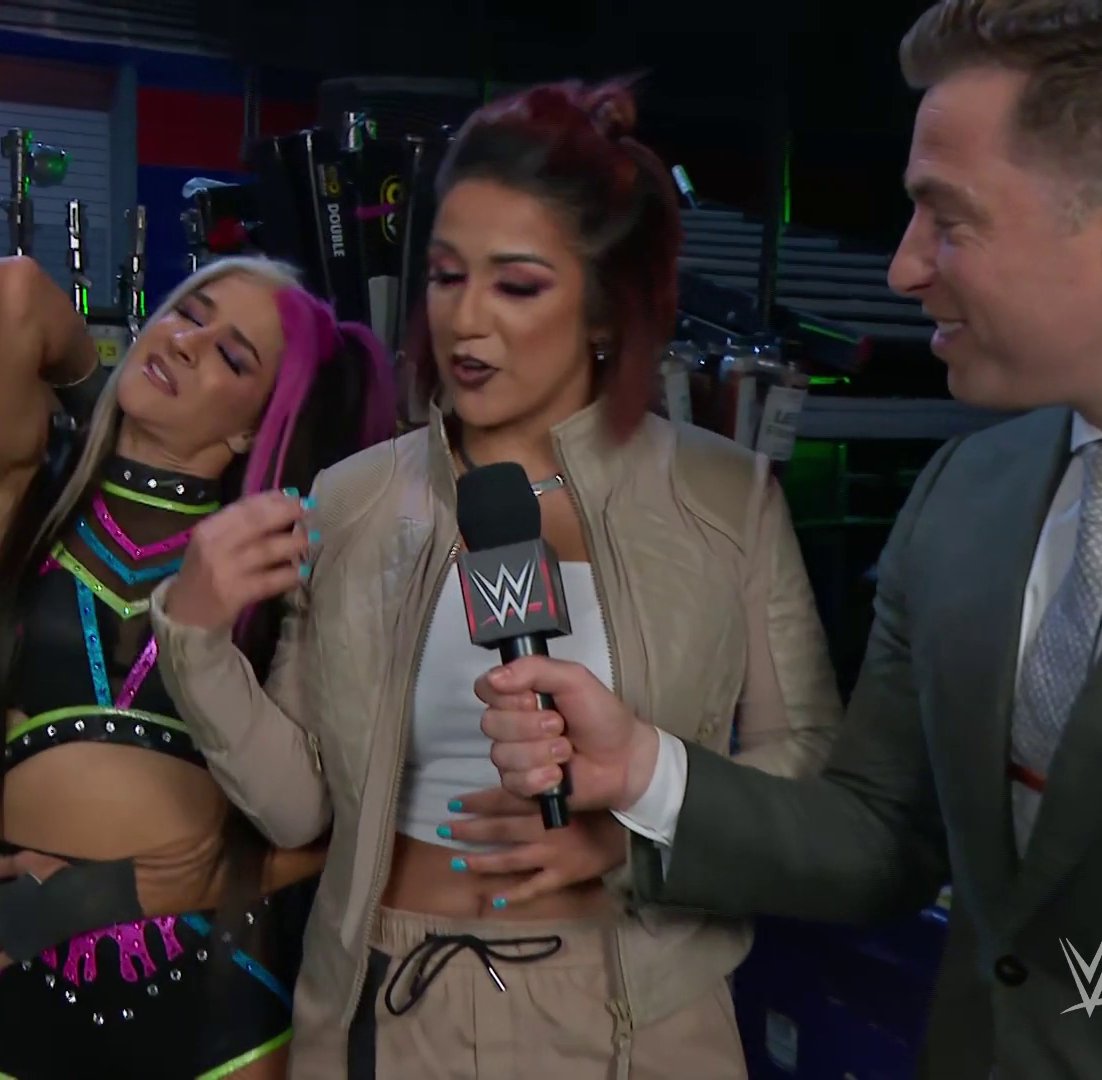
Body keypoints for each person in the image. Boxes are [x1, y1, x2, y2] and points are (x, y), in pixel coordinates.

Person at [476, 4, 1102, 1079]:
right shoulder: (968, 493)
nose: (903, 267)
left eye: (947, 219)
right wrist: (643, 774)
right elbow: (884, 837)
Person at [149, 79, 843, 1079]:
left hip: (641, 1020)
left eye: (516, 286)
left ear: (603, 305)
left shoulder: (725, 497)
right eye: (445, 276)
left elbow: (807, 772)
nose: (466, 319)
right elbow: (300, 810)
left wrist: (641, 836)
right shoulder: (353, 498)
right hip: (395, 1008)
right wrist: (198, 637)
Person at [0, 253, 395, 1080]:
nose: (188, 341)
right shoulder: (15, 514)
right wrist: (107, 393)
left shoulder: (278, 574)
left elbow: (356, 824)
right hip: (16, 973)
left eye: (232, 356)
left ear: (255, 427)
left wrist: (108, 895)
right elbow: (11, 295)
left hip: (219, 990)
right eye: (188, 312)